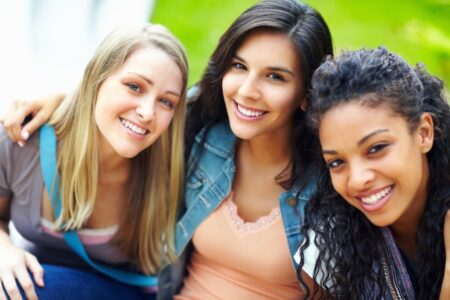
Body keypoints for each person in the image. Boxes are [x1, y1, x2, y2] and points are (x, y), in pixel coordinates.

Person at [1, 0, 333, 298]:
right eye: (239, 66)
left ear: (307, 91)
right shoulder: (205, 137)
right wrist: (62, 103)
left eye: (275, 77)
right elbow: (127, 98)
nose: (247, 91)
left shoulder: (332, 179)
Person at [0, 23, 188, 299]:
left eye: (166, 102)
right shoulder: (21, 140)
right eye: (134, 87)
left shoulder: (179, 161)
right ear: (96, 80)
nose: (148, 112)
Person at [297, 47, 450, 299]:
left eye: (376, 148)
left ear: (424, 133)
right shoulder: (331, 242)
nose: (357, 180)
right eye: (336, 162)